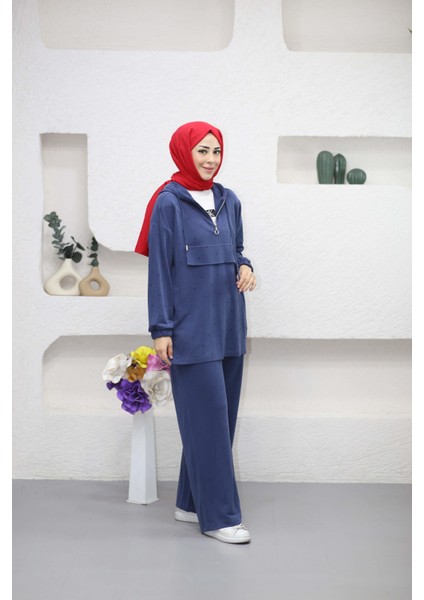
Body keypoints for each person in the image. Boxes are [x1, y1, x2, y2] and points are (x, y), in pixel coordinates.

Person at [134, 121, 256, 544]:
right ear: (184, 152)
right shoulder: (168, 203)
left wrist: (246, 266)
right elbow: (159, 269)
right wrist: (161, 328)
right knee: (208, 423)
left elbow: (236, 250)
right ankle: (220, 517)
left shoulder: (229, 200)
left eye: (216, 151)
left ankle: (189, 503)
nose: (210, 159)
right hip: (190, 329)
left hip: (229, 324)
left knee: (219, 422)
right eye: (202, 151)